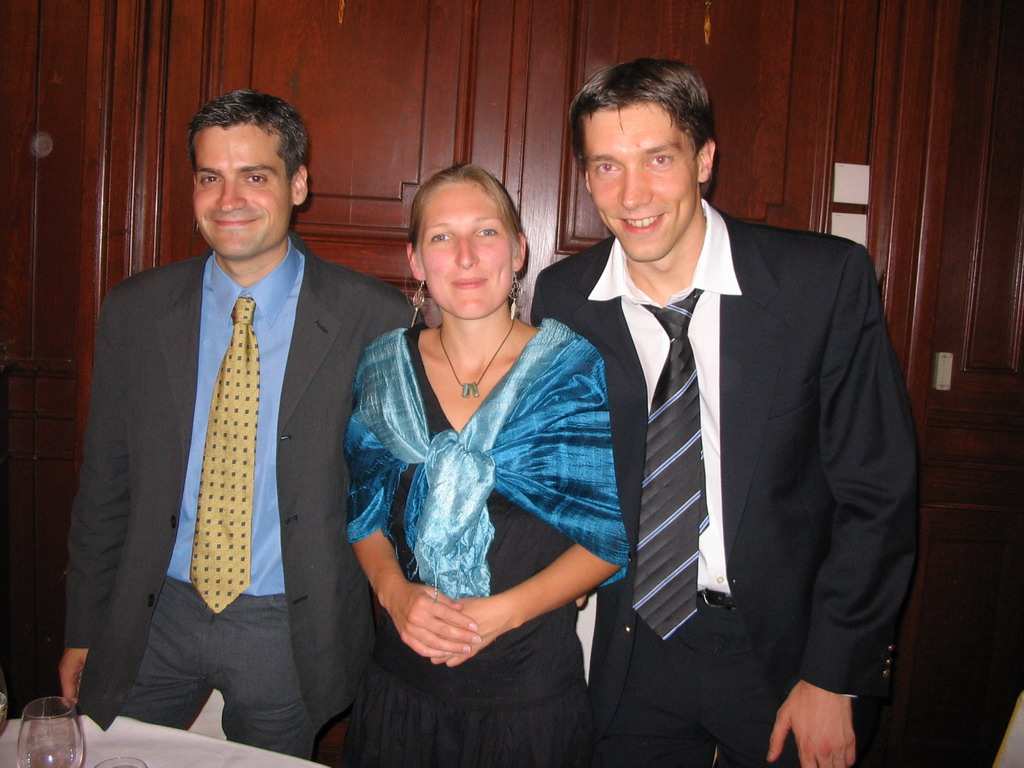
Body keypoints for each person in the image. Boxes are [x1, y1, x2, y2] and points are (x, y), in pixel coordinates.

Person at [532, 59, 917, 768]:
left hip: (784, 651)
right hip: (632, 645)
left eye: (658, 159)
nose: (634, 194)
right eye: (607, 167)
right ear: (586, 179)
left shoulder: (821, 284)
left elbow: (877, 493)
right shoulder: (564, 301)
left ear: (704, 160)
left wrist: (835, 671)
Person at [59, 89, 408, 757]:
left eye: (255, 176)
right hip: (152, 610)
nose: (229, 200)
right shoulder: (136, 312)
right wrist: (83, 628)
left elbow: (395, 489)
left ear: (298, 184)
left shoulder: (376, 318)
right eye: (209, 178)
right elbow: (104, 485)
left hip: (288, 624)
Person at [342, 164, 629, 767]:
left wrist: (501, 615)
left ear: (519, 250)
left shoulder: (572, 372)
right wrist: (395, 595)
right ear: (417, 261)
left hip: (527, 701)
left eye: (486, 233)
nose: (467, 257)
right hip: (400, 691)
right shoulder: (381, 369)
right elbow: (363, 510)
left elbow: (611, 537)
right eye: (442, 237)